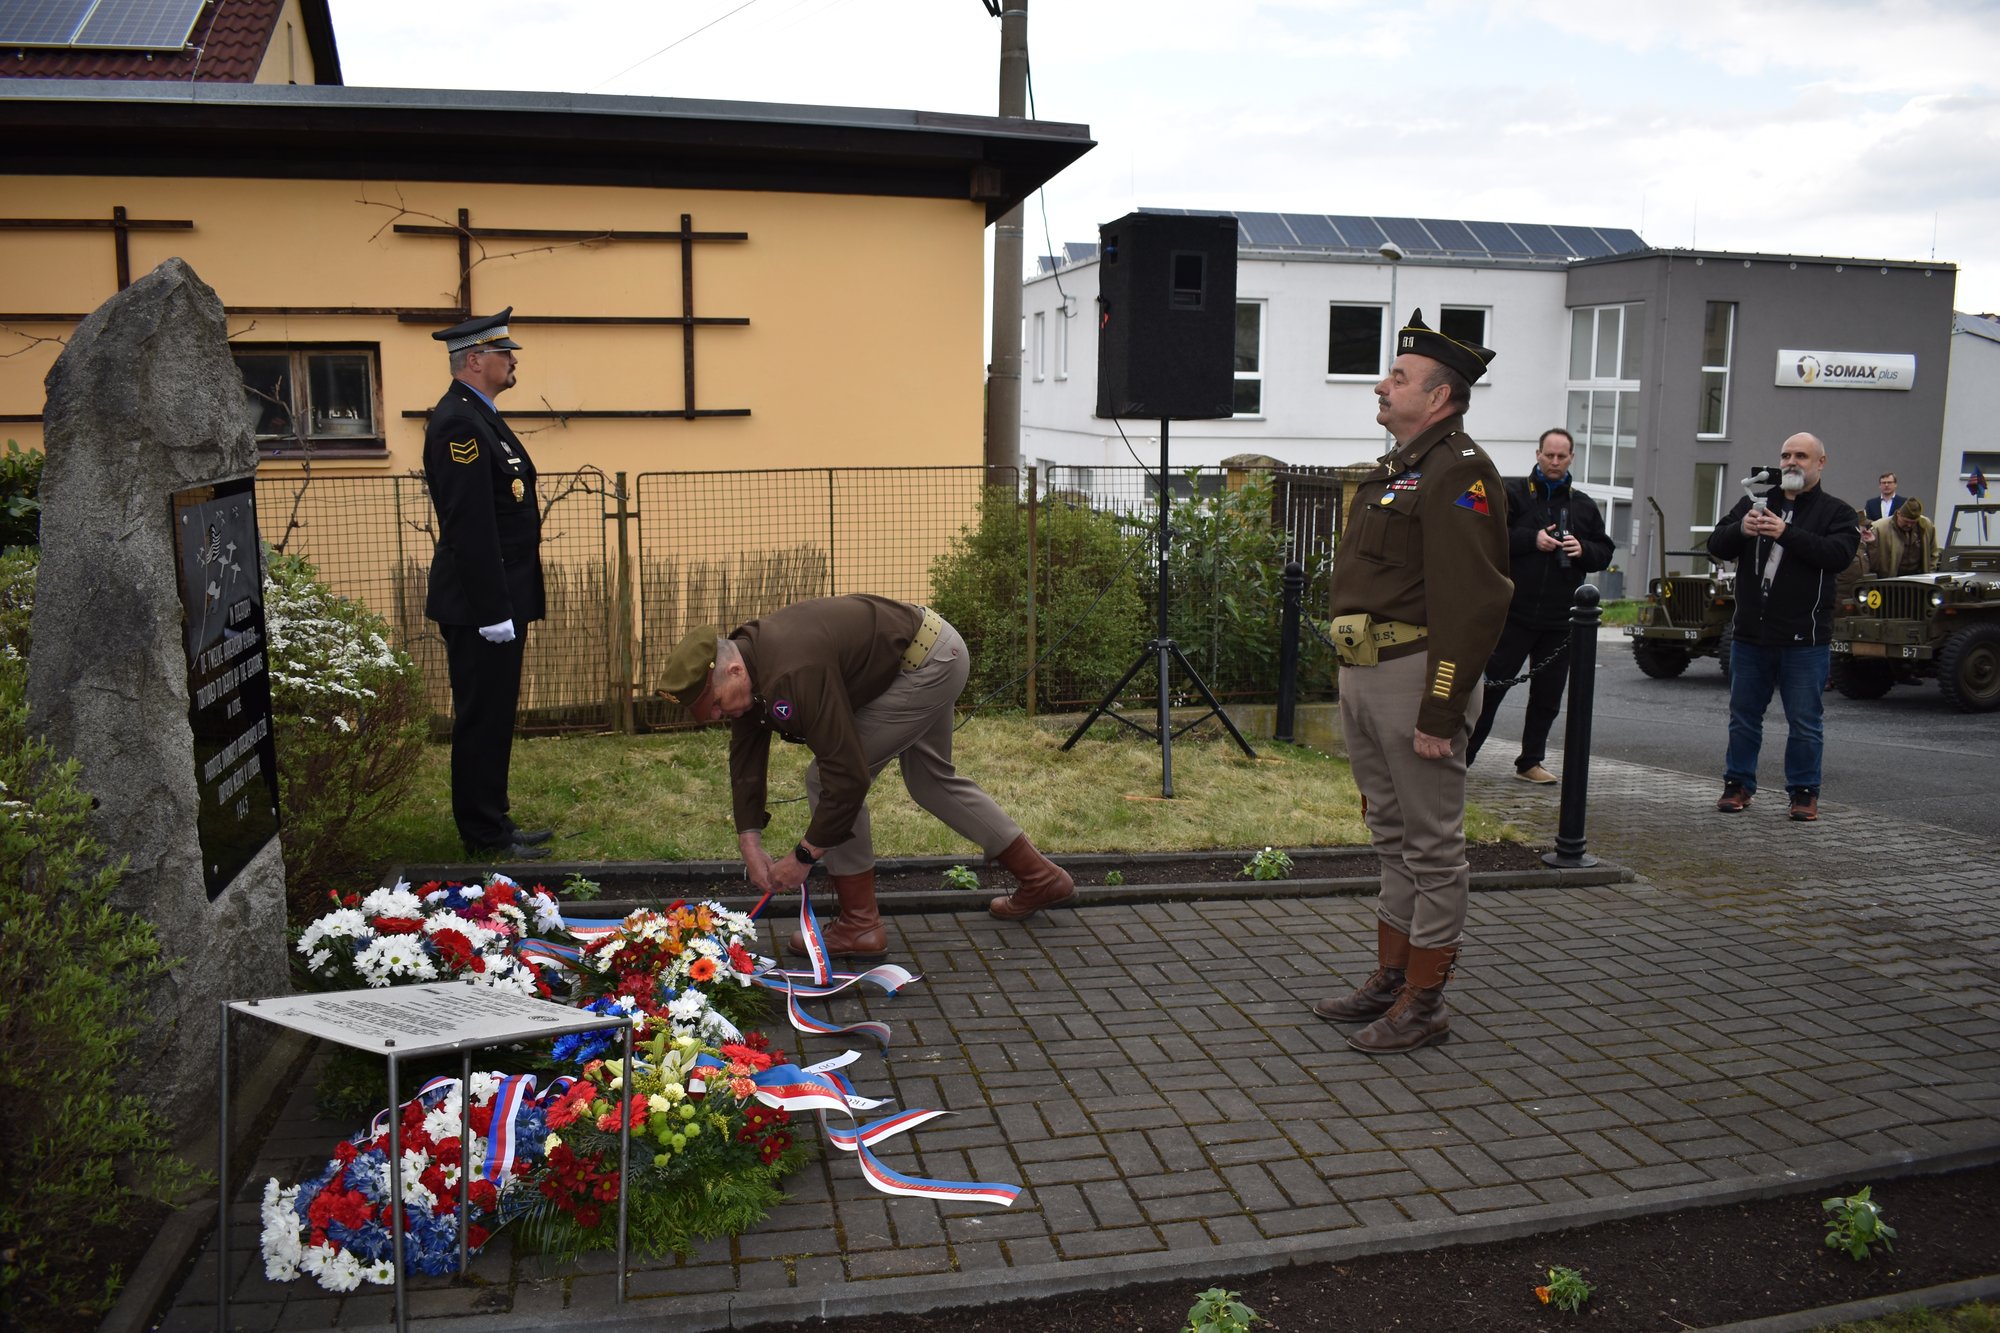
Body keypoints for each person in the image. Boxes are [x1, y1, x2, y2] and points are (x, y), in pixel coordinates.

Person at [657, 596, 1074, 960]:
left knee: (826, 779)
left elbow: (847, 777)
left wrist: (803, 856)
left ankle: (860, 924)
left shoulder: (792, 671)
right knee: (931, 780)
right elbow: (746, 752)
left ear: (731, 670)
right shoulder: (751, 663)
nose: (715, 716)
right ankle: (1042, 878)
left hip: (923, 665)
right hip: (929, 650)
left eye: (713, 704)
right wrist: (749, 842)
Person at [1310, 311, 1510, 1055]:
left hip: (1415, 679)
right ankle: (1392, 979)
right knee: (1391, 836)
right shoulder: (1404, 466)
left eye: (1398, 377)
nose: (1382, 384)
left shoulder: (1459, 470)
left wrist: (1442, 706)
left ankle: (1426, 1001)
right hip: (1370, 673)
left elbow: (1475, 599)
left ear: (1441, 396)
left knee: (1431, 847)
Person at [422, 308, 552, 860]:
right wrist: (492, 609)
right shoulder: (459, 423)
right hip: (482, 602)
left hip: (500, 595)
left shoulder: (481, 414)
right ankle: (482, 833)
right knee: (481, 716)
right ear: (474, 361)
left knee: (497, 714)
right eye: (504, 353)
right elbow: (469, 524)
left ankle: (495, 818)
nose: (513, 360)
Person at [1708, 433, 1858, 823]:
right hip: (1751, 637)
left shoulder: (1837, 513)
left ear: (1821, 463)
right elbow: (1716, 545)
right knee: (1743, 717)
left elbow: (1838, 556)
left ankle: (1804, 793)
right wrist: (1742, 528)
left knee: (1805, 722)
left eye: (1802, 456)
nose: (1792, 462)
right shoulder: (1754, 501)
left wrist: (1785, 533)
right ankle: (1737, 785)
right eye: (1786, 455)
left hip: (1804, 640)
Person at [1465, 427, 1613, 784]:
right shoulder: (1512, 493)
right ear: (1538, 454)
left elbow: (1603, 552)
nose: (1555, 462)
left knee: (1547, 697)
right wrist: (1533, 539)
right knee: (1490, 690)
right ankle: (1462, 760)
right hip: (1514, 613)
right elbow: (1489, 536)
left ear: (1572, 459)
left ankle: (1530, 762)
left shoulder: (1583, 505)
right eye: (1549, 455)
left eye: (1562, 456)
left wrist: (1583, 550)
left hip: (1560, 620)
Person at [1868, 497, 1938, 576]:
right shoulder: (1879, 528)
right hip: (1891, 579)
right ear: (1898, 514)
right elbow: (1871, 560)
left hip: (1919, 577)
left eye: (1913, 523)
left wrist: (1931, 574)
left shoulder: (1926, 526)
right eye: (1906, 521)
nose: (1909, 525)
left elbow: (1933, 552)